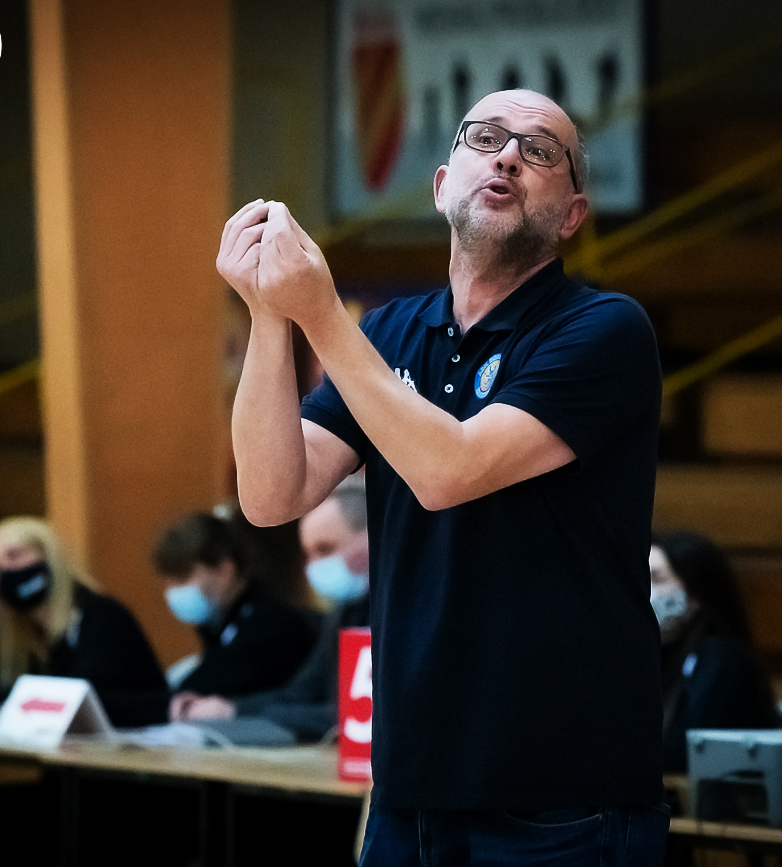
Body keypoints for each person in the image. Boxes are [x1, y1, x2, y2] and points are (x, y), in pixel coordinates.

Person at [218, 89, 667, 865]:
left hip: (562, 798)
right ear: (439, 185)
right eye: (486, 138)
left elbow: (447, 470)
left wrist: (320, 313)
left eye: (540, 150)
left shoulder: (603, 328)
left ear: (572, 215)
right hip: (410, 786)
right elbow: (269, 495)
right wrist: (267, 313)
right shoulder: (390, 332)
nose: (508, 156)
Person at [0, 516, 171, 727]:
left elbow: (78, 702)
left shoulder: (101, 615)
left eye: (14, 556)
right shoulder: (19, 631)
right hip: (68, 762)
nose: (5, 571)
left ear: (50, 557)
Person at [173, 476, 371, 740]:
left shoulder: (400, 617)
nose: (313, 566)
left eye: (325, 549)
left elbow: (359, 716)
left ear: (370, 542)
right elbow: (299, 694)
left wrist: (236, 713)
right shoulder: (344, 613)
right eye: (307, 555)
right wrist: (232, 709)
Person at [155, 509, 319, 718]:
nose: (174, 590)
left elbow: (204, 686)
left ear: (225, 570)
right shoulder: (219, 625)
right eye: (169, 581)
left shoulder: (268, 622)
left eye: (182, 578)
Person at [651, 532, 782, 774]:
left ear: (696, 594)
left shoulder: (722, 658)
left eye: (655, 578)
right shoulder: (653, 656)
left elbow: (687, 753)